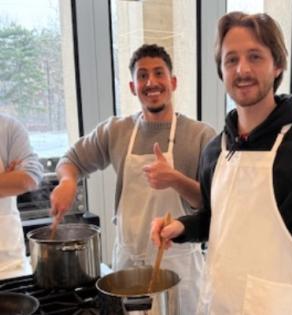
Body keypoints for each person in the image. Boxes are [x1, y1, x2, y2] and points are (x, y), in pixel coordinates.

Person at [151, 12, 292, 315]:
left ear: (277, 65)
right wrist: (180, 227)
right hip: (220, 304)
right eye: (231, 59)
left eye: (255, 56)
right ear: (221, 71)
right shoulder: (215, 150)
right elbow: (216, 220)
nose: (242, 69)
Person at [50, 44, 216, 314]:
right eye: (142, 76)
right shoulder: (116, 131)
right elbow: (71, 160)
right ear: (132, 87)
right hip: (128, 266)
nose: (151, 82)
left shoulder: (200, 135)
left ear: (172, 82)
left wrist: (175, 179)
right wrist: (68, 182)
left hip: (179, 268)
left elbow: (210, 204)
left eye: (159, 73)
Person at [0, 113, 43, 277]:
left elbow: (28, 179)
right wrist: (6, 180)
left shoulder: (8, 128)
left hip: (7, 265)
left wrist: (16, 180)